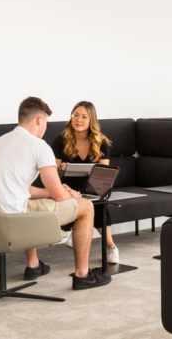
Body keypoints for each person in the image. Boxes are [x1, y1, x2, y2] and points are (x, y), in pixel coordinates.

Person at [0, 97, 110, 290]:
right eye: (46, 122)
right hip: (12, 219)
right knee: (86, 207)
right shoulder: (39, 146)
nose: (46, 127)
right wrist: (70, 194)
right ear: (40, 120)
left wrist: (53, 192)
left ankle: (34, 265)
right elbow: (59, 196)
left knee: (31, 200)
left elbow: (23, 189)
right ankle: (83, 275)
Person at [52, 101, 120, 265]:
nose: (78, 120)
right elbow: (53, 171)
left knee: (97, 202)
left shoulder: (101, 141)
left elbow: (104, 174)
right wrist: (62, 168)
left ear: (92, 120)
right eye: (75, 115)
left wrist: (92, 171)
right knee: (89, 202)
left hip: (93, 185)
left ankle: (110, 247)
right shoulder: (61, 139)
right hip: (67, 186)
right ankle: (110, 246)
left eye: (84, 117)